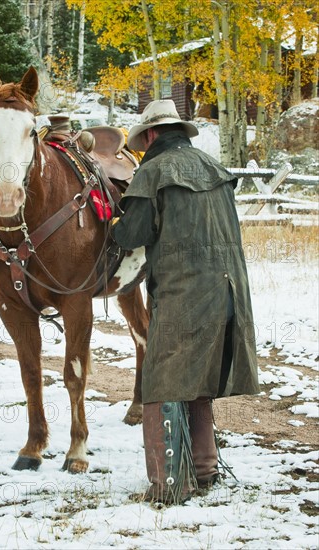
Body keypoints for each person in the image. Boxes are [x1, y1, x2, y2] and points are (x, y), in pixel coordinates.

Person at [112, 99, 259, 505]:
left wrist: (112, 220)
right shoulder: (213, 166)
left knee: (160, 381)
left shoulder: (154, 171)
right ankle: (206, 469)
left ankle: (166, 485)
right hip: (230, 289)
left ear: (153, 135)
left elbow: (131, 235)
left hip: (184, 293)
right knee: (198, 378)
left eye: (143, 143)